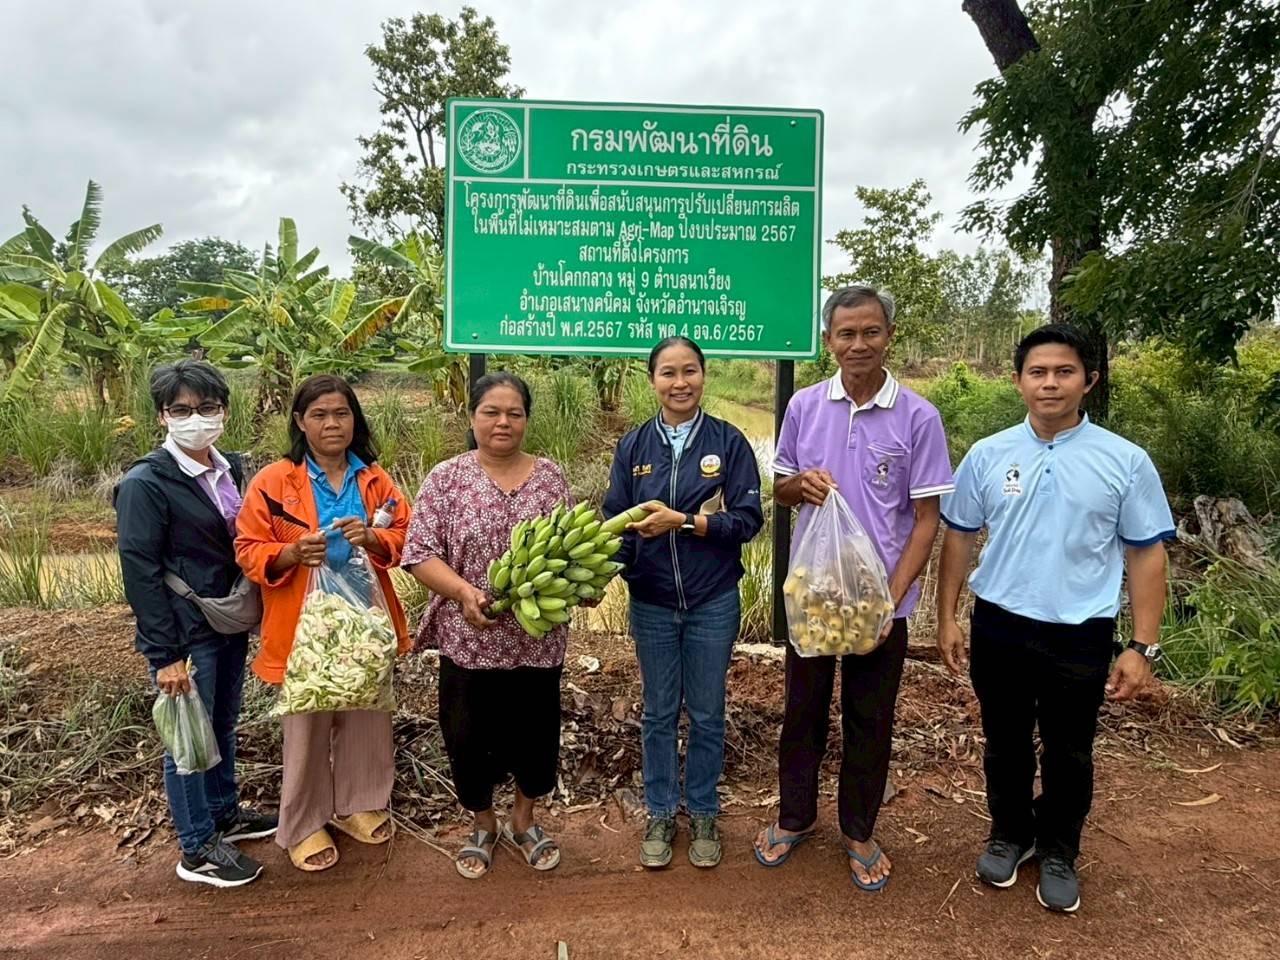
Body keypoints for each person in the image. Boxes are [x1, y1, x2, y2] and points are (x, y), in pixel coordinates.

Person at [936, 324, 1174, 914]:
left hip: (1081, 631)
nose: (1050, 383)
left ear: (1088, 381)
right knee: (1005, 742)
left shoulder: (1125, 461)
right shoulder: (988, 455)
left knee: (1070, 749)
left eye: (1064, 372)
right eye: (1037, 372)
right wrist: (946, 615)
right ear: (1018, 381)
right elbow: (960, 539)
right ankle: (1011, 833)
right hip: (1000, 624)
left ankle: (1061, 848)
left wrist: (1142, 646)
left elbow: (1147, 553)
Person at [754, 284, 955, 892]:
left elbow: (927, 522)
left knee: (871, 717)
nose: (858, 344)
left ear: (889, 335)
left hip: (882, 600)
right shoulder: (805, 407)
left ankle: (859, 830)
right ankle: (794, 818)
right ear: (828, 341)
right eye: (846, 334)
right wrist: (800, 487)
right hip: (815, 596)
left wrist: (889, 600)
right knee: (802, 711)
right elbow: (781, 491)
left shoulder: (918, 416)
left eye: (870, 332)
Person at [235, 375, 411, 872]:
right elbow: (248, 549)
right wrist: (289, 552)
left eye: (341, 413)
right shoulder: (274, 482)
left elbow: (404, 534)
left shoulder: (375, 479)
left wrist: (374, 541)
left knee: (366, 716)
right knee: (307, 723)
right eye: (319, 415)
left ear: (355, 419)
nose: (332, 424)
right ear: (300, 422)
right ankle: (305, 820)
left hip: (365, 621)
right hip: (303, 625)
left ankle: (358, 804)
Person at [403, 372, 573, 879]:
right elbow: (418, 553)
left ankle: (524, 820)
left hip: (536, 639)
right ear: (472, 417)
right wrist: (462, 592)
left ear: (526, 419)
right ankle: (483, 823)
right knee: (467, 736)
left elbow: (566, 548)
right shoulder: (446, 478)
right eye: (491, 412)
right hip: (468, 637)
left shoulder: (550, 477)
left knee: (535, 735)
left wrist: (581, 586)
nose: (503, 422)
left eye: (514, 413)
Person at [603, 337, 764, 869]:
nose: (680, 382)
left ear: (704, 376)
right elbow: (617, 525)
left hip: (712, 598)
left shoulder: (729, 442)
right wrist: (600, 574)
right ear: (652, 380)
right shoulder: (634, 448)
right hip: (650, 600)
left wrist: (688, 522)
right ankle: (660, 809)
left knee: (708, 712)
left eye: (689, 371)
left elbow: (747, 521)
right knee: (658, 713)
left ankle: (703, 809)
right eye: (668, 373)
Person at [115, 360, 277, 888]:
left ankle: (224, 814)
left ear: (223, 411)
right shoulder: (147, 483)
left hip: (224, 617)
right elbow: (139, 572)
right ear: (163, 415)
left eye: (207, 408)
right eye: (182, 410)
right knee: (187, 740)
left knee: (222, 724)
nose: (196, 419)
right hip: (186, 631)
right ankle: (197, 847)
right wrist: (163, 655)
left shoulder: (229, 467)